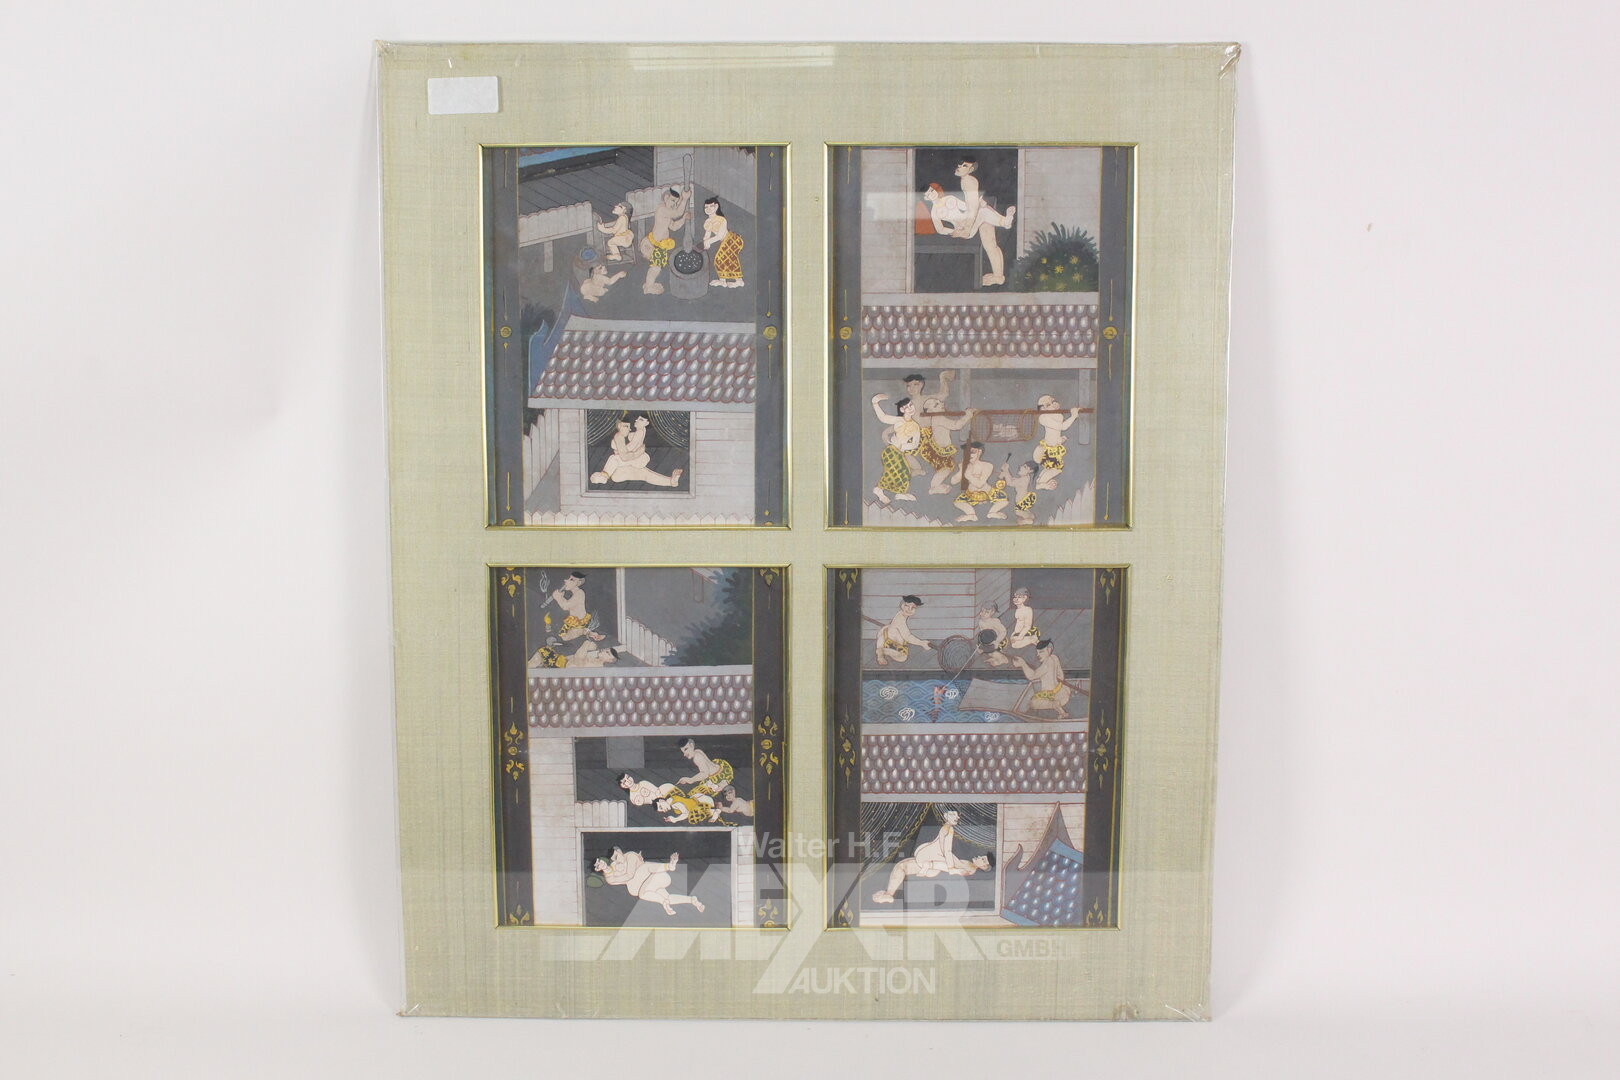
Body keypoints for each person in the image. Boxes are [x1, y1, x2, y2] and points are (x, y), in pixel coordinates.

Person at [925, 156, 1018, 286]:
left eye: (964, 166)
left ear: (971, 169)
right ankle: (1004, 222)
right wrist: (955, 231)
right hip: (964, 228)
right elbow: (940, 229)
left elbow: (967, 207)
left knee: (990, 243)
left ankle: (998, 277)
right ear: (926, 197)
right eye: (960, 164)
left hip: (969, 223)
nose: (959, 167)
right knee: (984, 214)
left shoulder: (961, 188)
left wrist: (978, 203)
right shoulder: (935, 211)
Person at [871, 810, 992, 903]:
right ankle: (889, 894)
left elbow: (950, 864)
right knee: (900, 866)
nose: (980, 857)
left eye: (983, 860)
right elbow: (949, 855)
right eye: (952, 815)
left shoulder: (970, 869)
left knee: (901, 867)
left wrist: (930, 865)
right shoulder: (949, 830)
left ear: (984, 867)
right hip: (932, 859)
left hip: (932, 862)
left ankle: (889, 895)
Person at [595, 848, 704, 916]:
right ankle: (692, 900)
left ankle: (670, 866)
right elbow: (611, 879)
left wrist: (616, 873)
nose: (618, 858)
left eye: (618, 854)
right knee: (667, 898)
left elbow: (630, 874)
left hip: (654, 876)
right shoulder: (613, 869)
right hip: (643, 887)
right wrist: (606, 869)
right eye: (615, 858)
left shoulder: (630, 856)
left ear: (620, 851)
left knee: (644, 868)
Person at [590, 415, 684, 487]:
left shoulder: (639, 432)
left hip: (638, 459)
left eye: (641, 420)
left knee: (614, 459)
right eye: (625, 426)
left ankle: (604, 476)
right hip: (632, 461)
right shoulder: (631, 434)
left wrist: (622, 451)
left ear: (646, 423)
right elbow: (628, 448)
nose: (636, 421)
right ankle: (671, 482)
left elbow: (629, 450)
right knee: (641, 475)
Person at [870, 394, 922, 505]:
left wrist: (903, 446)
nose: (910, 408)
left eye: (911, 405)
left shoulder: (916, 426)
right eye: (907, 407)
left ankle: (899, 493)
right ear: (902, 410)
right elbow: (883, 417)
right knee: (895, 471)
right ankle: (879, 489)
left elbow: (915, 444)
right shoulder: (899, 420)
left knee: (905, 471)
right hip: (891, 451)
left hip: (900, 452)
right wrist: (875, 403)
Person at [640, 186, 692, 294]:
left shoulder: (667, 214)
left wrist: (683, 219)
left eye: (676, 203)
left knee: (656, 268)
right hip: (652, 245)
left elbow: (673, 226)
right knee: (655, 268)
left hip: (659, 246)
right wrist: (684, 199)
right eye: (673, 201)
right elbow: (677, 213)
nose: (674, 205)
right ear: (666, 198)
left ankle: (649, 284)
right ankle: (648, 287)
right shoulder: (662, 209)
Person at [919, 397, 976, 494]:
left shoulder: (938, 417)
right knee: (946, 469)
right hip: (939, 451)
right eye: (936, 404)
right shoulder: (939, 418)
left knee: (946, 469)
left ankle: (934, 486)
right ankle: (934, 487)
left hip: (939, 449)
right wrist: (968, 415)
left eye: (940, 401)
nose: (941, 403)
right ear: (929, 411)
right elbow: (956, 425)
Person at [1033, 395, 1085, 490]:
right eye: (1050, 404)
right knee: (1056, 469)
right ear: (1043, 408)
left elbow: (1056, 430)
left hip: (1052, 449)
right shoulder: (1043, 417)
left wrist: (1060, 439)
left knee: (1052, 468)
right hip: (1045, 450)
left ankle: (1040, 482)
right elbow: (1062, 427)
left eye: (1053, 402)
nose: (1054, 404)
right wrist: (1073, 416)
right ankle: (1040, 484)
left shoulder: (1056, 415)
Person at [1011, 638, 1073, 719]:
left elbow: (1032, 676)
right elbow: (1061, 676)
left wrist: (1023, 664)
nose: (1038, 655)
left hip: (1051, 695)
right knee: (1065, 689)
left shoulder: (1046, 664)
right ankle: (1056, 704)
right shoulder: (1054, 658)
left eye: (1041, 652)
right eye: (1037, 652)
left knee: (1032, 703)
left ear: (1049, 650)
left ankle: (1056, 706)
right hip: (1062, 693)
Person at [953, 443, 1008, 522]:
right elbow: (953, 481)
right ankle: (971, 514)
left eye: (972, 452)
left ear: (979, 452)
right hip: (970, 494)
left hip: (988, 493)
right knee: (957, 502)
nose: (969, 455)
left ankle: (992, 512)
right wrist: (961, 470)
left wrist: (967, 474)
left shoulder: (987, 465)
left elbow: (980, 484)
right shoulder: (965, 466)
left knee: (1004, 501)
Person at [875, 595, 932, 666]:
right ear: (902, 604)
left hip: (889, 639)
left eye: (913, 607)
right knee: (903, 657)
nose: (909, 609)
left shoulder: (901, 614)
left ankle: (882, 651)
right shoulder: (900, 619)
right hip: (888, 641)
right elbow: (908, 637)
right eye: (907, 606)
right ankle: (881, 651)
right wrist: (922, 643)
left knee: (902, 653)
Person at [701, 196, 745, 287]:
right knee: (722, 259)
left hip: (732, 240)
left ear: (716, 207)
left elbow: (720, 236)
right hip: (725, 241)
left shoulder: (721, 220)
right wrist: (705, 242)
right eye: (706, 207)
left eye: (711, 206)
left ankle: (739, 281)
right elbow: (707, 234)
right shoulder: (708, 221)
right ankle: (722, 281)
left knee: (724, 258)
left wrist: (708, 241)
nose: (708, 209)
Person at [549, 571, 605, 642]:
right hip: (574, 621)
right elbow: (570, 605)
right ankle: (588, 633)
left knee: (565, 637)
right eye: (569, 578)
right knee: (563, 636)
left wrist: (558, 597)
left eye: (571, 579)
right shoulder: (576, 593)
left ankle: (589, 633)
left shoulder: (579, 593)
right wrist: (561, 597)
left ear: (578, 583)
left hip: (578, 622)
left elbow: (565, 606)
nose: (565, 581)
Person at [999, 459, 1040, 525]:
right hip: (1023, 501)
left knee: (1018, 512)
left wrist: (1006, 471)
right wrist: (1006, 472)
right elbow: (1012, 480)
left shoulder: (1024, 480)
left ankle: (1029, 520)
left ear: (1030, 471)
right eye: (1023, 465)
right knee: (1022, 511)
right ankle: (1030, 516)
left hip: (1021, 502)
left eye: (1025, 467)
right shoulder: (1025, 478)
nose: (1021, 467)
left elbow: (1010, 482)